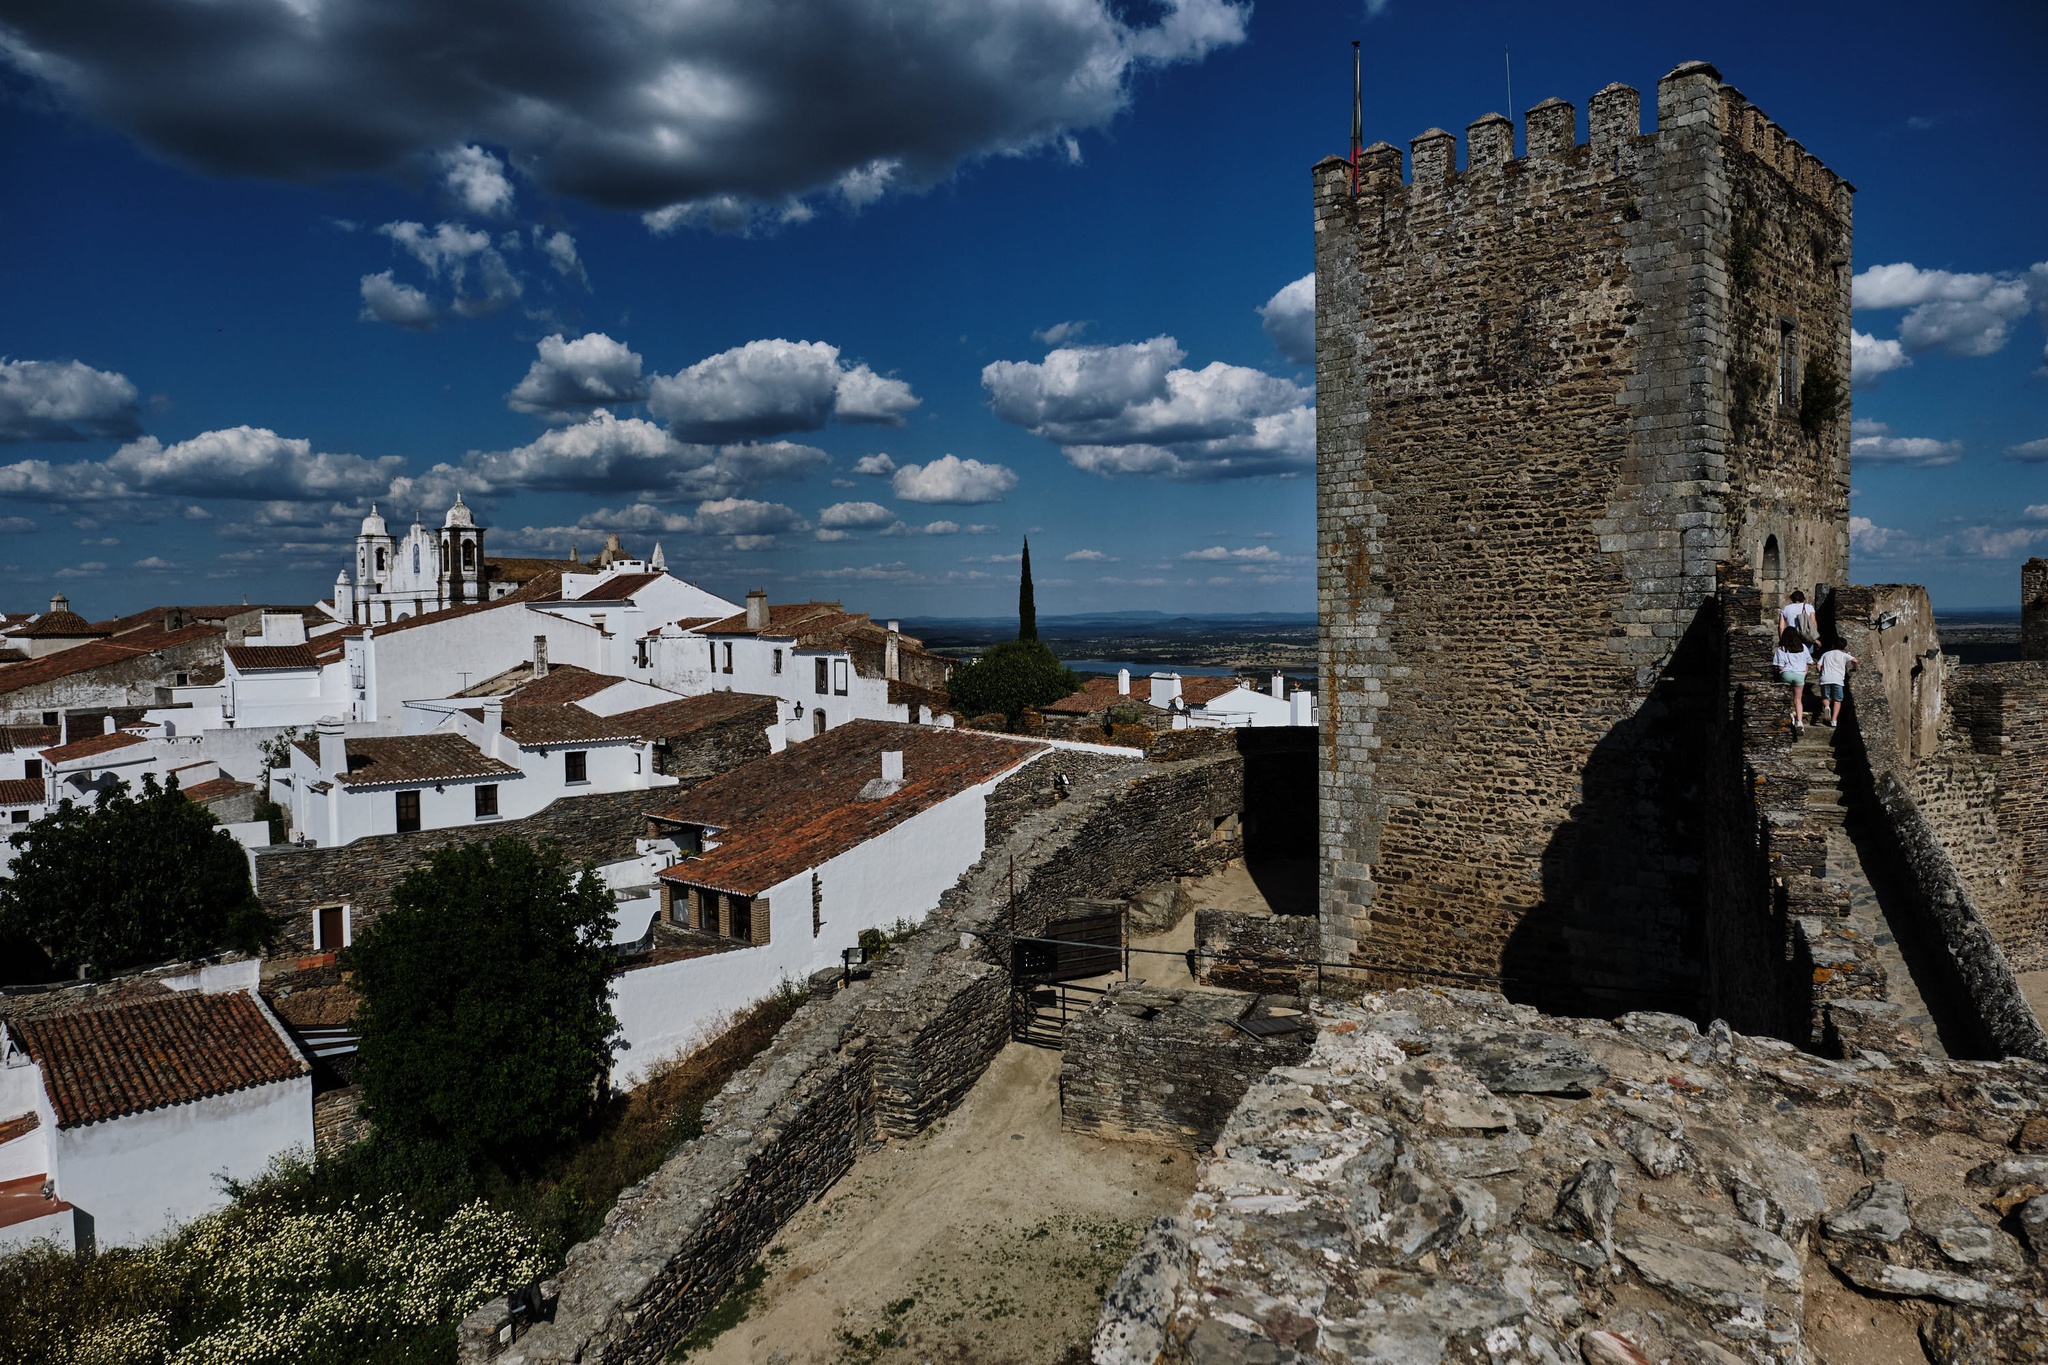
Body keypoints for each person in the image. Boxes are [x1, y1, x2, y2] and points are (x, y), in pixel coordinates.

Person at [1773, 626, 1813, 729]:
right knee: (1798, 700)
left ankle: (1790, 717)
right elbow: (1810, 662)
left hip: (1786, 674)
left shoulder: (1781, 649)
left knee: (1786, 698)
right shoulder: (1803, 647)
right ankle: (1799, 722)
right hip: (1799, 675)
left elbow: (1780, 666)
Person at [1815, 641, 1858, 727]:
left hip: (1825, 678)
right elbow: (1855, 660)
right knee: (1837, 700)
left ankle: (1827, 707)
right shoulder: (1844, 655)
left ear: (1833, 645)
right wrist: (1854, 668)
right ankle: (1834, 720)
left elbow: (1818, 666)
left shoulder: (1826, 654)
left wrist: (1821, 673)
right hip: (1837, 679)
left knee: (1825, 697)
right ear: (1844, 647)